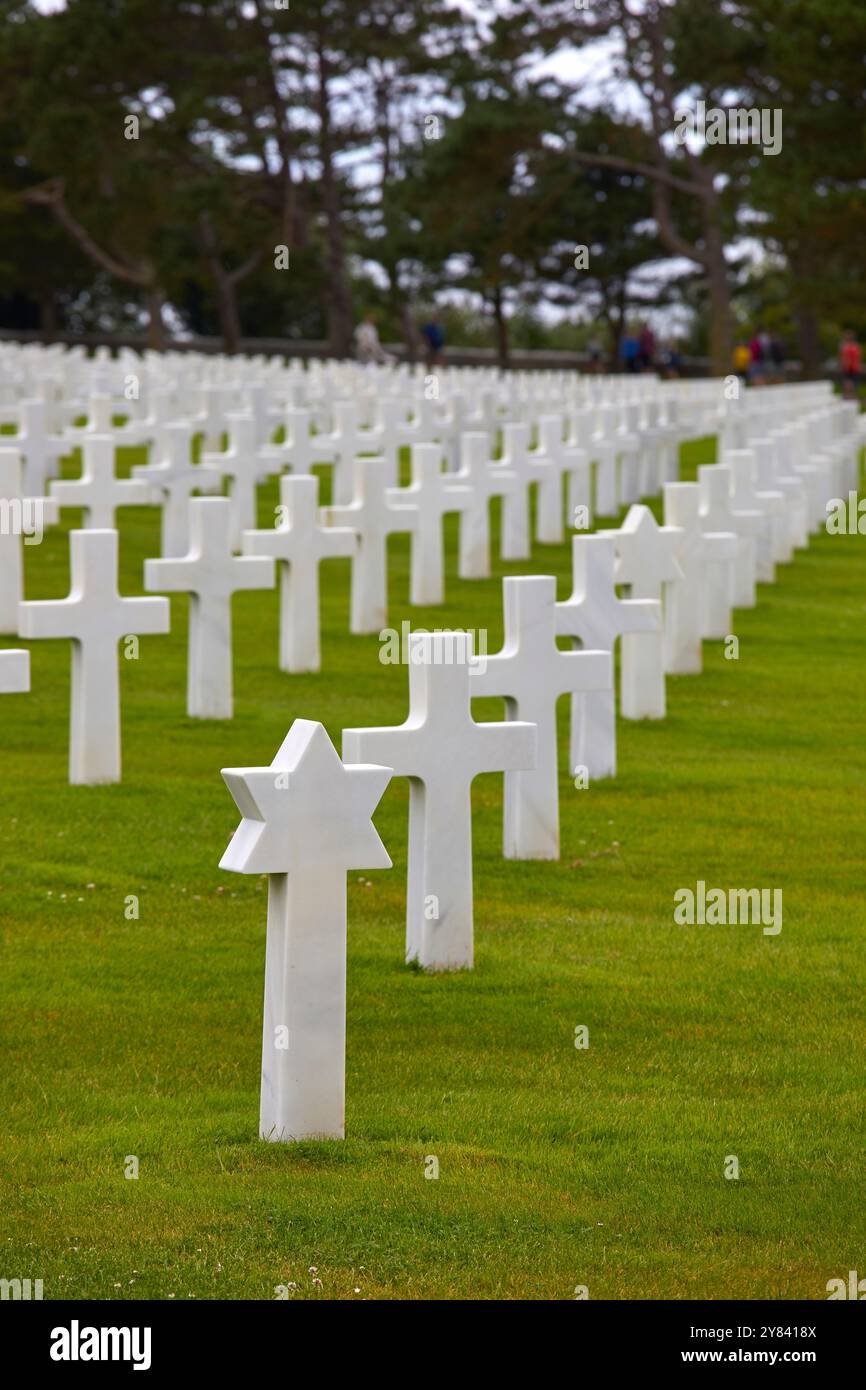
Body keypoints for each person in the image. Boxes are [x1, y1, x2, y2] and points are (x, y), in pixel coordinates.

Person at [839, 329, 862, 399]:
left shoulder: (845, 347)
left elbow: (845, 358)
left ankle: (848, 395)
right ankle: (851, 395)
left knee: (848, 381)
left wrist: (844, 365)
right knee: (853, 382)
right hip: (854, 367)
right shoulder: (856, 346)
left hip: (849, 367)